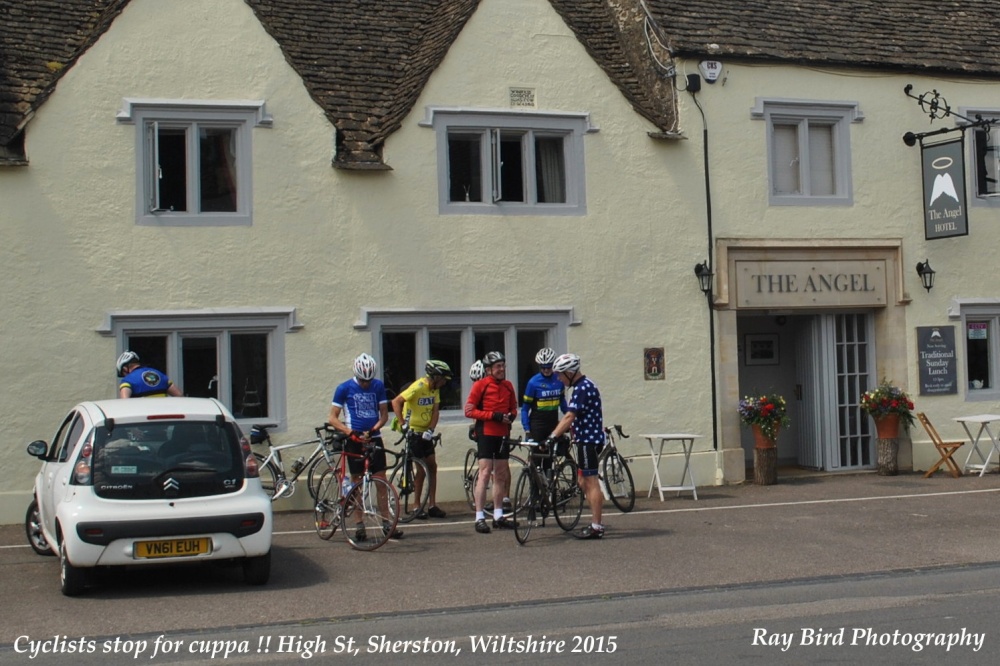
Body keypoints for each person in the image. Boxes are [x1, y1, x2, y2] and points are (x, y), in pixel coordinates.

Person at [328, 353, 401, 540]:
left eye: (368, 380)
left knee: (381, 480)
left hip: (373, 437)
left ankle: (386, 523)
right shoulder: (344, 388)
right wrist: (349, 432)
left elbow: (384, 415)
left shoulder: (378, 386)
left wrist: (374, 428)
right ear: (356, 375)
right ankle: (359, 525)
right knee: (357, 482)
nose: (366, 384)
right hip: (354, 439)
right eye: (362, 380)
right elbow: (333, 418)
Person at [546, 353, 606, 539]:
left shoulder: (582, 388)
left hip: (589, 441)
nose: (559, 378)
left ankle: (597, 526)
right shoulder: (583, 386)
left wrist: (552, 436)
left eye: (561, 374)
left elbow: (569, 416)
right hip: (583, 440)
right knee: (582, 482)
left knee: (591, 482)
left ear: (571, 372)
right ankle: (594, 520)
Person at [390, 359, 452, 519]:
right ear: (436, 376)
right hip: (413, 432)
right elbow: (396, 402)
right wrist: (403, 424)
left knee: (432, 466)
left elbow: (435, 411)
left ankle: (432, 505)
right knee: (421, 469)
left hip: (425, 432)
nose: (445, 382)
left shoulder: (434, 389)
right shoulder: (418, 387)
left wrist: (431, 430)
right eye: (444, 378)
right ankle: (416, 505)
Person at [465, 351, 518, 533]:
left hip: (503, 433)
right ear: (489, 370)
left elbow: (513, 407)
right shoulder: (481, 385)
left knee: (501, 474)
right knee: (485, 473)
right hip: (486, 432)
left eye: (503, 365)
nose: (502, 369)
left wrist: (511, 415)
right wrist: (493, 416)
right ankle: (479, 517)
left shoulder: (508, 386)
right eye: (498, 366)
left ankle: (498, 515)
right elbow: (469, 410)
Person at [520, 347, 567, 470]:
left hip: (552, 423)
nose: (546, 370)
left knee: (549, 461)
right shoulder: (533, 383)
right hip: (537, 424)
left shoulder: (559, 380)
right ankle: (535, 489)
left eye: (549, 367)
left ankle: (549, 488)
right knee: (536, 462)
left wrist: (570, 418)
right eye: (543, 367)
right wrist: (527, 430)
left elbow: (562, 403)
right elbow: (525, 409)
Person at [117, 351, 182, 398]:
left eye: (123, 373)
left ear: (125, 368)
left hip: (142, 415)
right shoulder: (159, 374)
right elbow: (179, 395)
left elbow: (125, 402)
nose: (124, 376)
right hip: (163, 413)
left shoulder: (128, 381)